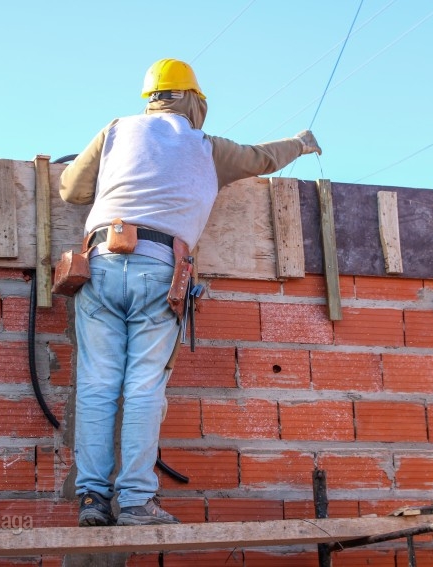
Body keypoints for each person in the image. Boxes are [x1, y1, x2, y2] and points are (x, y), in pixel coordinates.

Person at [59, 58, 321, 527]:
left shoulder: (116, 130)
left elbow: (70, 189)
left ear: (153, 99)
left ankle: (92, 500)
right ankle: (136, 502)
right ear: (194, 101)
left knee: (97, 385)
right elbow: (262, 158)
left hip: (97, 264)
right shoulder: (206, 146)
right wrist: (301, 144)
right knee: (142, 387)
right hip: (158, 269)